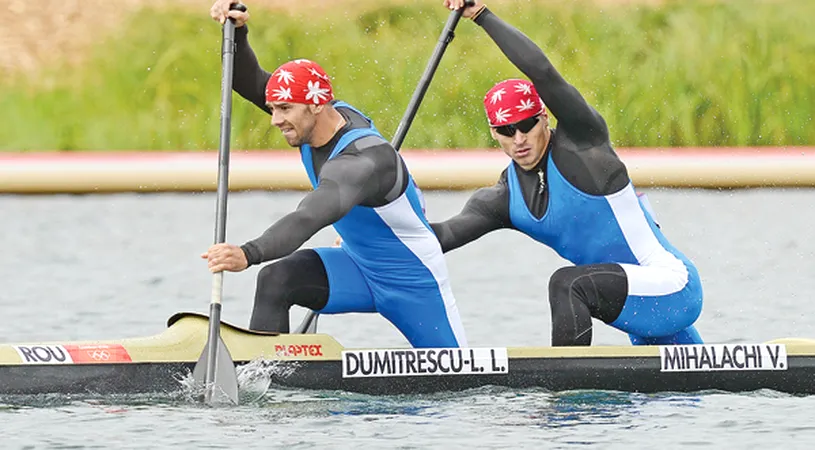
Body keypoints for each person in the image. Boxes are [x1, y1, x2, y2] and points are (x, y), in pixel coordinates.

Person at [434, 0, 703, 346]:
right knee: (684, 398)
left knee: (566, 284)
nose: (519, 139)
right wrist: (369, 233)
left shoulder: (583, 145)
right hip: (637, 310)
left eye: (527, 125)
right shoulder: (503, 198)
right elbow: (437, 237)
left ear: (544, 117)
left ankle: (566, 399)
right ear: (493, 134)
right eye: (506, 131)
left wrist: (481, 16)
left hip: (672, 287)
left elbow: (543, 73)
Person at [202, 1, 467, 348]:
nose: (275, 120)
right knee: (277, 279)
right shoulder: (312, 118)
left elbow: (309, 216)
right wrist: (238, 32)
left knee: (455, 380)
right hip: (356, 267)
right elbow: (248, 80)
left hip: (414, 282)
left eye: (283, 109)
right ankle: (266, 378)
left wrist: (247, 253)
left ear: (315, 104)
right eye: (272, 108)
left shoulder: (364, 160)